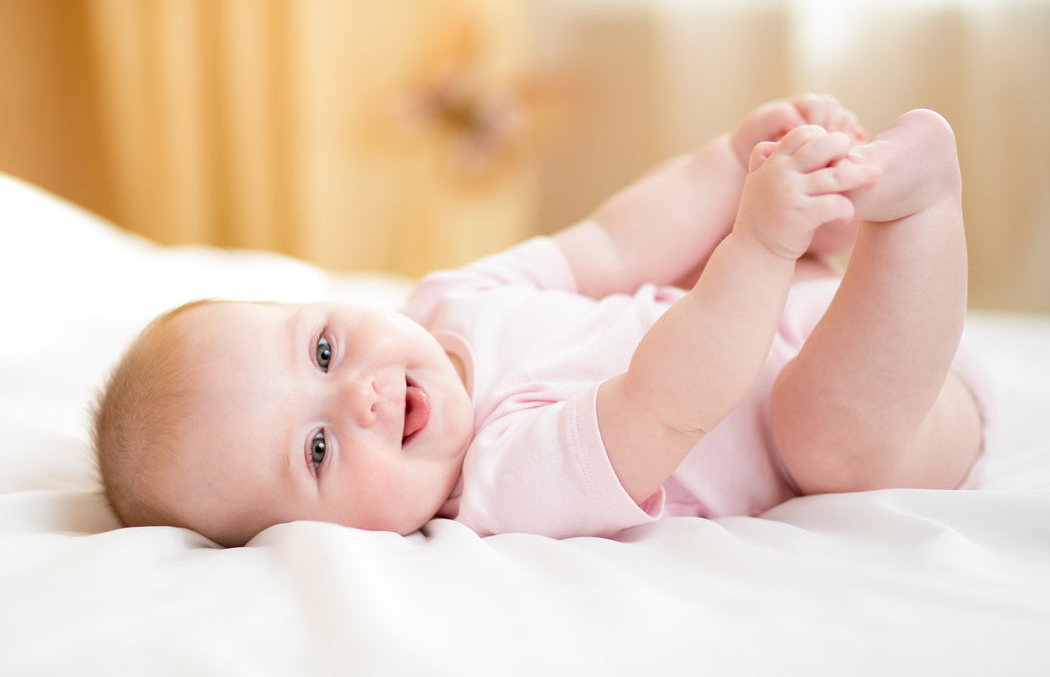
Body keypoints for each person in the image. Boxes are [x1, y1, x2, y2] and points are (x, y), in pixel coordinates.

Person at [93, 95, 991, 547]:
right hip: (895, 412)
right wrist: (755, 246)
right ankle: (915, 205)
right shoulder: (492, 486)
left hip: (788, 309)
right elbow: (664, 404)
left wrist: (724, 166)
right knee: (825, 440)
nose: (360, 396)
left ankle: (847, 200)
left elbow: (606, 245)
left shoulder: (445, 302)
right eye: (318, 451)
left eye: (323, 349)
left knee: (704, 248)